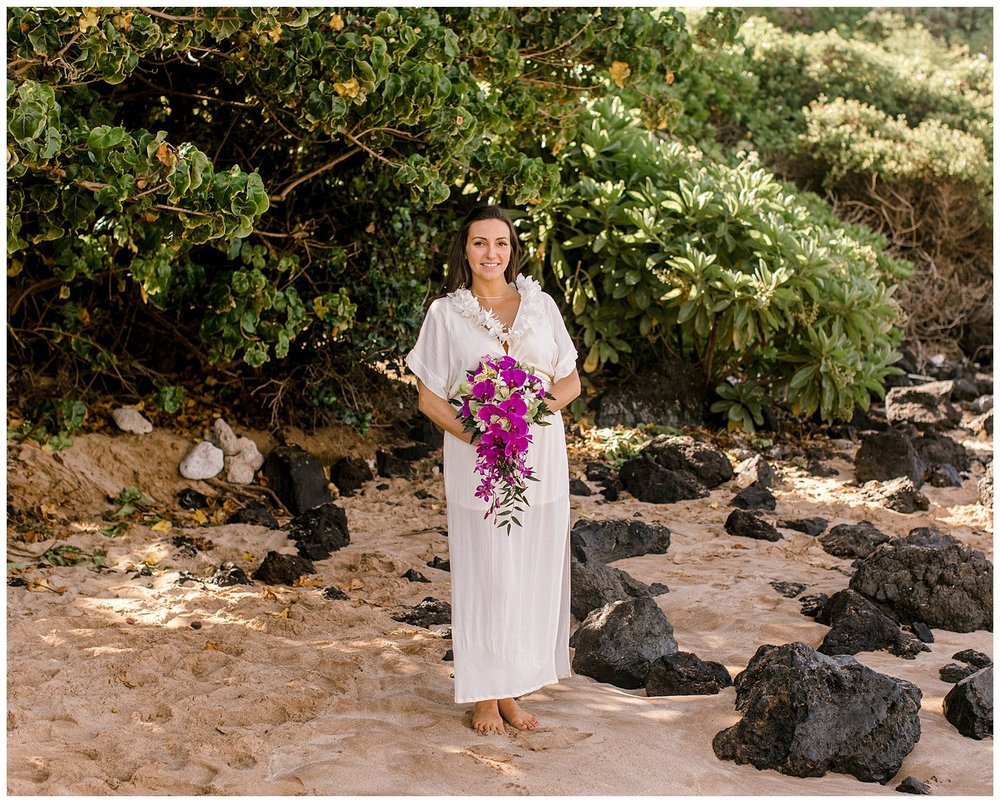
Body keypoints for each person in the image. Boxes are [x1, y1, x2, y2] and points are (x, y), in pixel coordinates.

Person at [406, 205, 581, 735]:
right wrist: (483, 435)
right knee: (486, 571)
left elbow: (570, 383)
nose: (491, 254)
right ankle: (484, 695)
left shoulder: (542, 305)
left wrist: (530, 412)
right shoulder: (445, 314)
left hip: (541, 458)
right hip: (477, 459)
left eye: (500, 243)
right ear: (465, 250)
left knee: (528, 569)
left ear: (513, 249)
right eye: (480, 243)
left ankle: (510, 691)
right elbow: (429, 400)